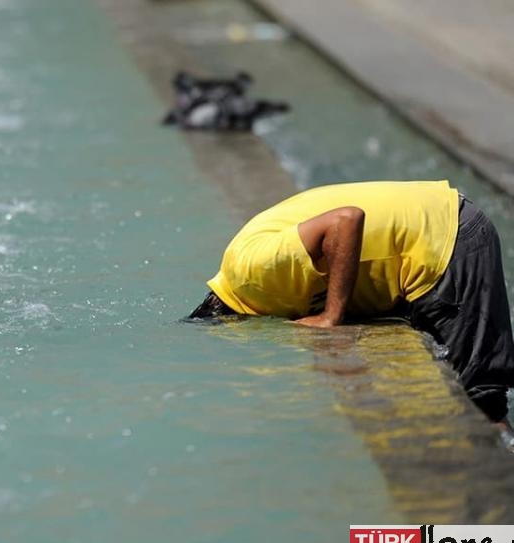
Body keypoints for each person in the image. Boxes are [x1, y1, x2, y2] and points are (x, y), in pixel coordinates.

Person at [190, 180, 514, 426]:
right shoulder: (248, 277)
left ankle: (495, 503)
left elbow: (346, 220)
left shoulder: (252, 274)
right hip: (428, 234)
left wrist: (331, 316)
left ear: (230, 321)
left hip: (445, 239)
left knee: (479, 401)